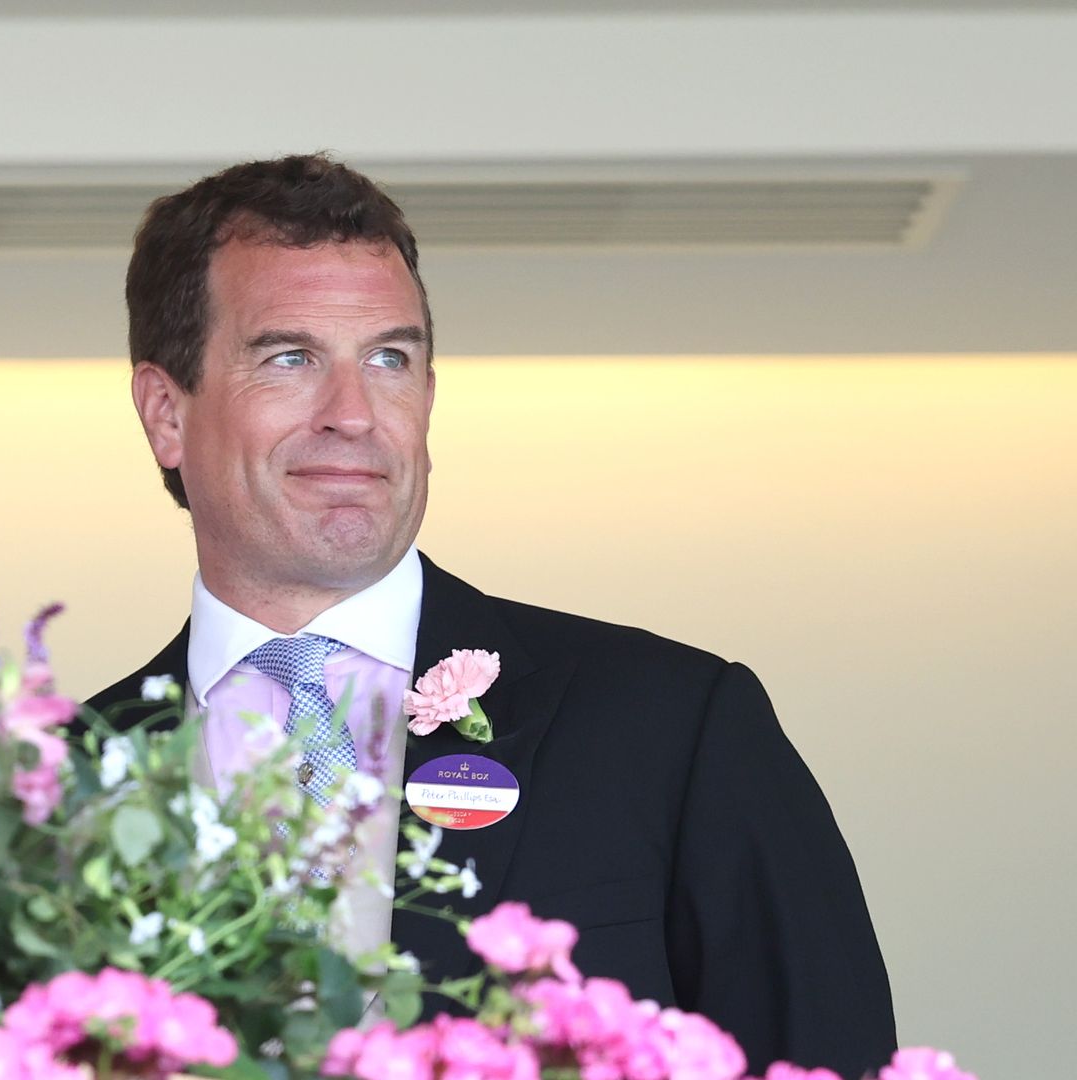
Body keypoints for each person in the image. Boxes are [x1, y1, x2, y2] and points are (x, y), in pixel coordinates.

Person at [88, 154, 897, 1076]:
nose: (353, 414)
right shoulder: (41, 788)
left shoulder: (673, 724)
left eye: (390, 358)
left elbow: (829, 1054)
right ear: (165, 412)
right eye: (290, 357)